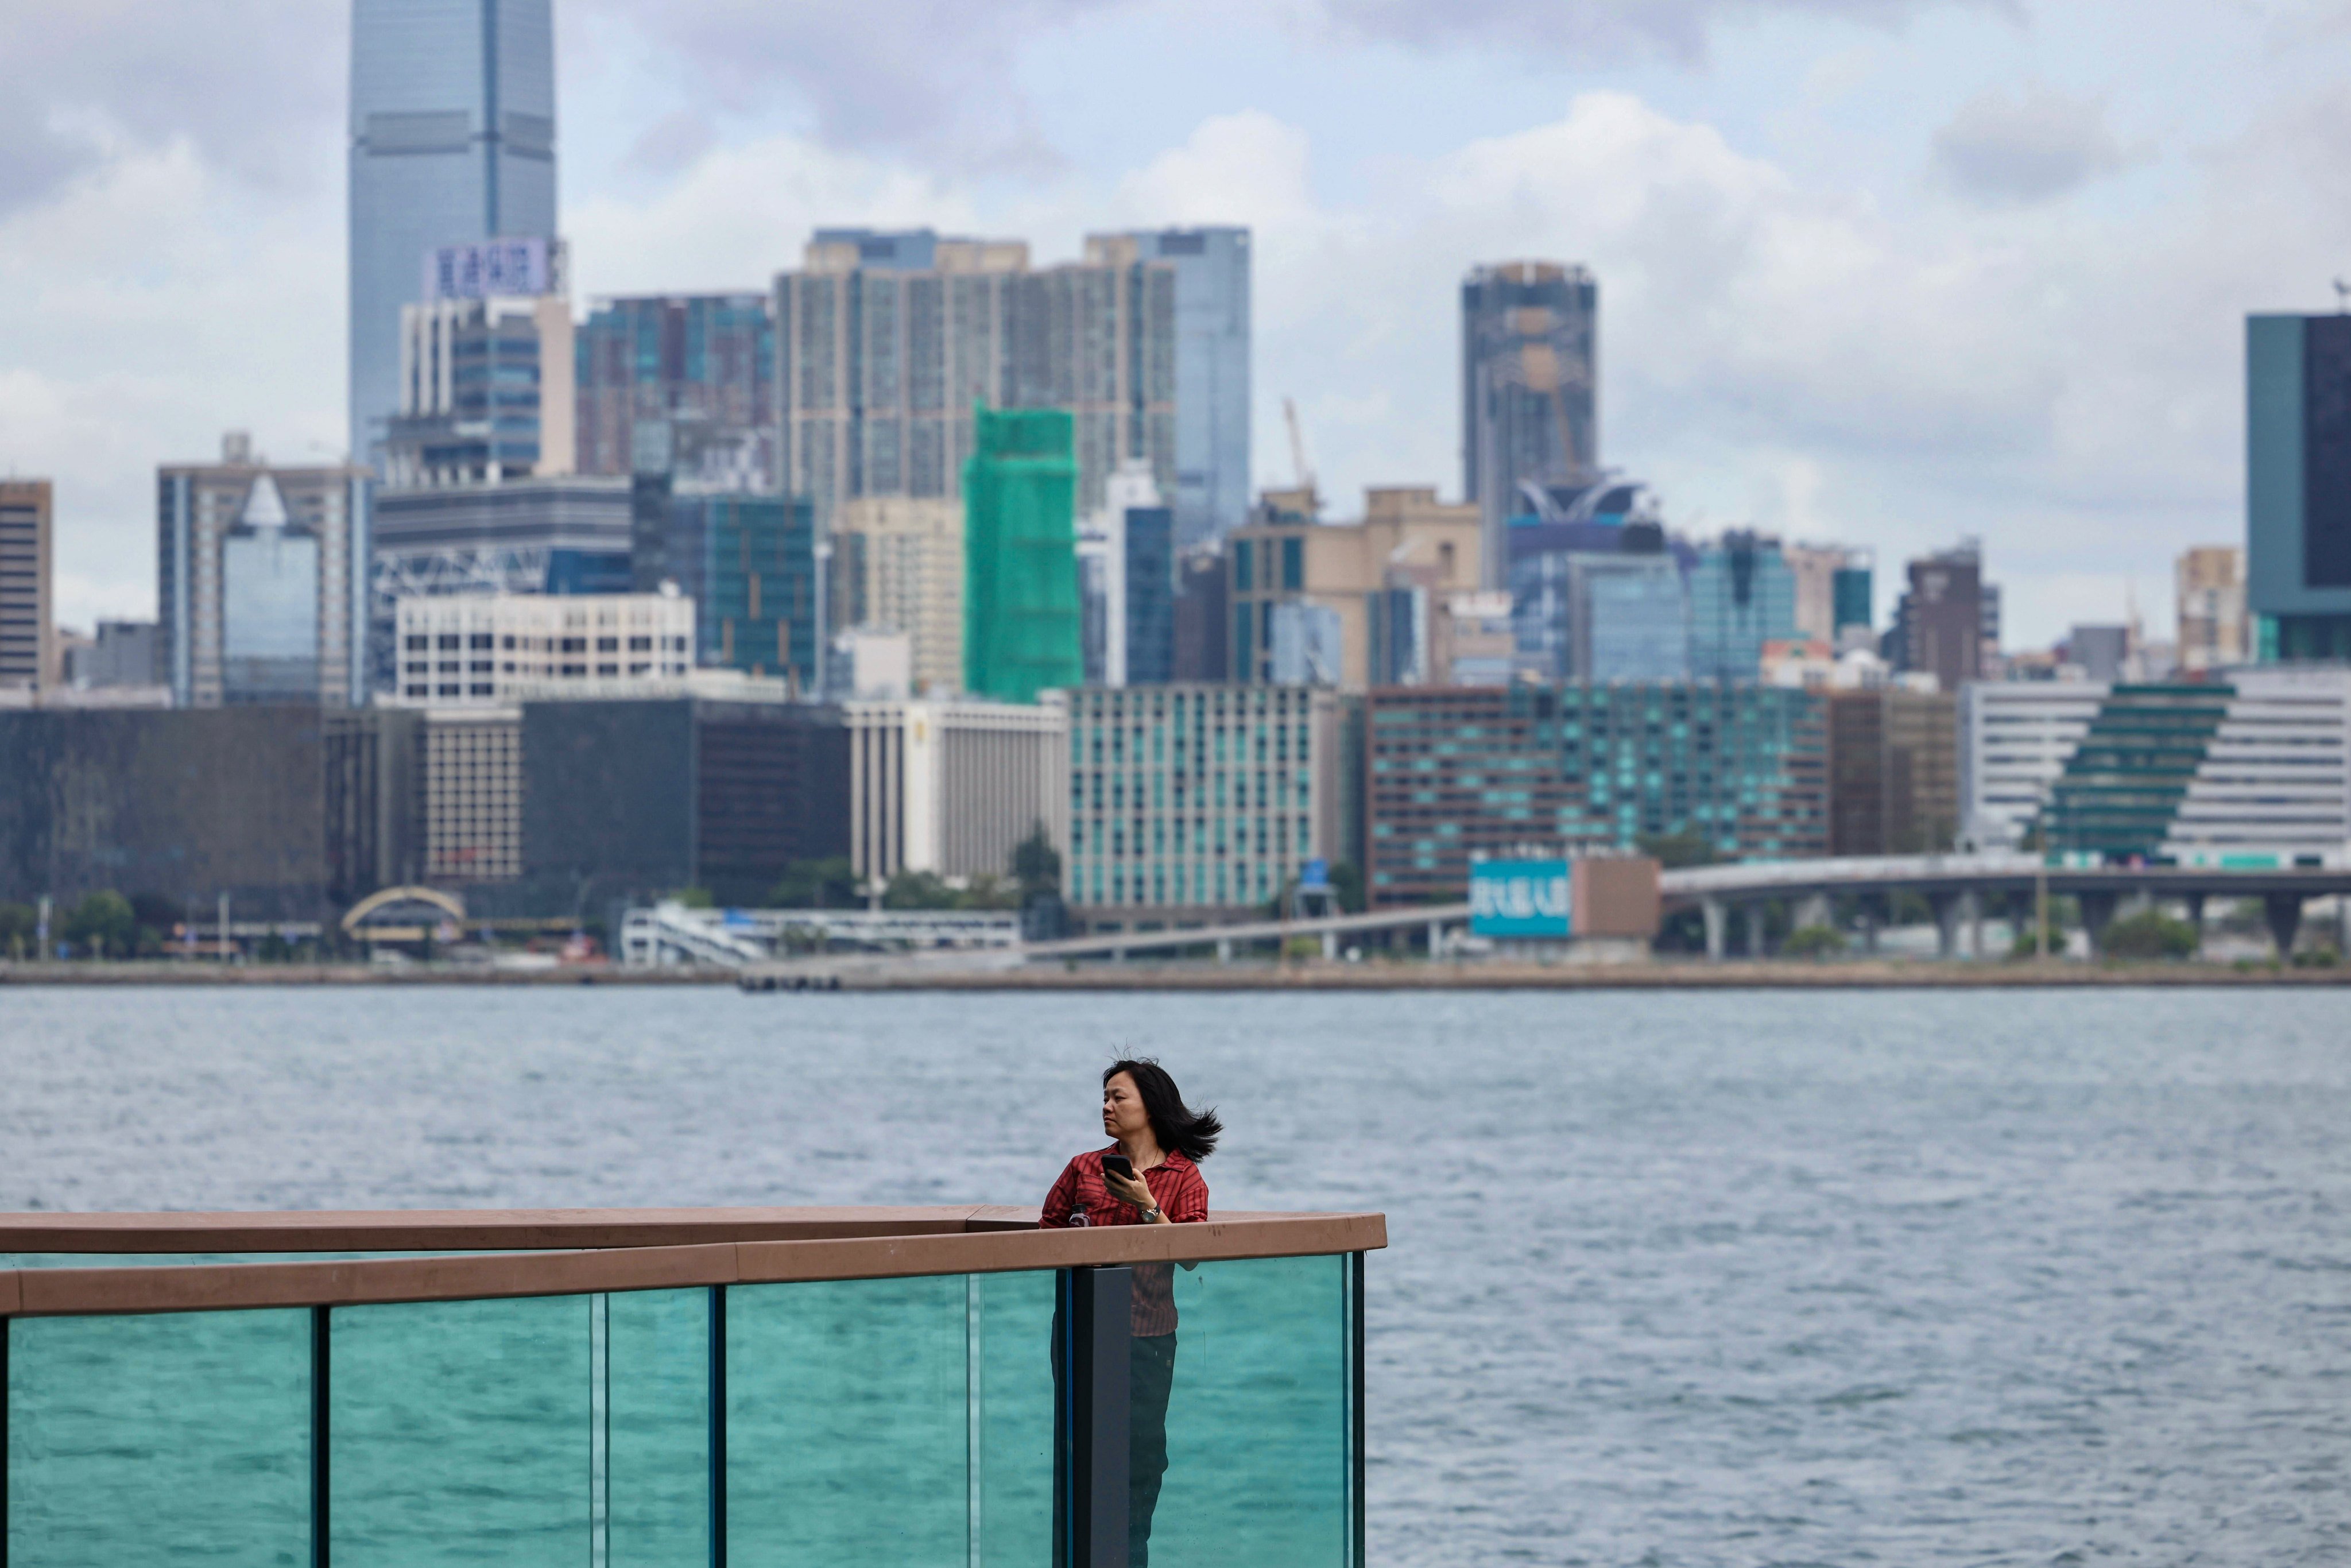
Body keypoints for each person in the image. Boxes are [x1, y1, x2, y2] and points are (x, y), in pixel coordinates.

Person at [1041, 1059, 1221, 1566]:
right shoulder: (1082, 1167)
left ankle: (1128, 1557)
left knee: (1142, 1459)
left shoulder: (1184, 1176)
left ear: (1150, 1105)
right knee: (1081, 1455)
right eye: (1104, 1096)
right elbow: (1044, 1235)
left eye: (1118, 1097)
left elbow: (1189, 1254)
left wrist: (1145, 1203)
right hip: (1080, 1331)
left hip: (1148, 1338)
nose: (1106, 1106)